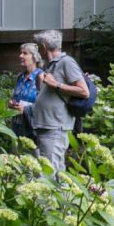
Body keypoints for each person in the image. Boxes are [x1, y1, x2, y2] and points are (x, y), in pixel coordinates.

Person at [32, 29, 89, 174]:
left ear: (43, 47)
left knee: (50, 173)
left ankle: (55, 196)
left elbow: (84, 91)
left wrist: (56, 84)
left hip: (55, 128)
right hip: (47, 126)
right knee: (54, 172)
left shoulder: (66, 62)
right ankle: (60, 196)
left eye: (38, 47)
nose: (39, 51)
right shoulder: (52, 65)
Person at [8, 43, 43, 141]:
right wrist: (11, 103)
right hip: (17, 126)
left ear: (34, 57)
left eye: (25, 53)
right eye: (20, 53)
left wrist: (26, 109)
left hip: (32, 129)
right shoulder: (20, 77)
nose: (20, 56)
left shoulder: (40, 77)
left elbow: (46, 105)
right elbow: (15, 98)